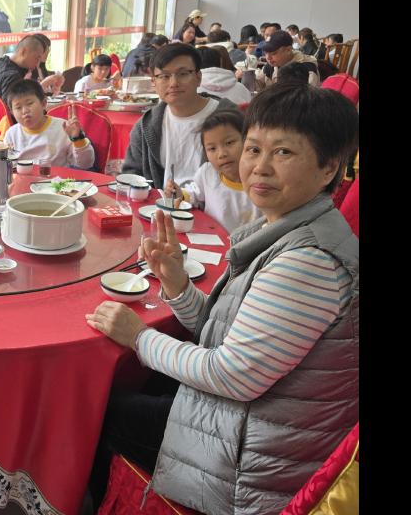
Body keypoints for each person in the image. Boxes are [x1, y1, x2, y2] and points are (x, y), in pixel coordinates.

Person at [86, 83, 358, 514]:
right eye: (254, 149)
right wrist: (177, 285)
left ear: (328, 169)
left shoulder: (309, 262)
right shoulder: (285, 231)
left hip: (249, 462)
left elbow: (232, 375)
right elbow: (228, 336)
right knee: (132, 385)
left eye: (283, 152)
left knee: (96, 411)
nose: (260, 167)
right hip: (243, 421)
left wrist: (139, 337)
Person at [121, 43, 239, 188]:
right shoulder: (146, 127)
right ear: (154, 82)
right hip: (161, 201)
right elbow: (132, 175)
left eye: (183, 74)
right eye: (164, 76)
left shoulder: (231, 117)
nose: (173, 83)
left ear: (198, 77)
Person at [162, 109, 260, 232]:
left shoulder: (260, 179)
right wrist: (178, 194)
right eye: (212, 148)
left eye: (229, 143)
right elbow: (193, 195)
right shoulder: (207, 173)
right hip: (212, 238)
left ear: (247, 140)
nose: (222, 154)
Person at [3, 79, 95, 168]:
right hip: (23, 178)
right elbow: (6, 165)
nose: (25, 111)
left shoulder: (64, 128)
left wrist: (77, 138)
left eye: (29, 103)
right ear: (12, 112)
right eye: (18, 107)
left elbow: (86, 164)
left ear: (43, 103)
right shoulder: (12, 134)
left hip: (56, 178)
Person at [0, 34, 64, 107]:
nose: (38, 63)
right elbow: (18, 111)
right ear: (23, 51)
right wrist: (42, 86)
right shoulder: (11, 76)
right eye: (37, 58)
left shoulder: (0, 64)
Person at [255, 31, 320, 90]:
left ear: (288, 50)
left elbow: (306, 95)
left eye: (274, 53)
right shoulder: (271, 66)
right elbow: (256, 84)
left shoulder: (306, 68)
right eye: (266, 53)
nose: (268, 58)